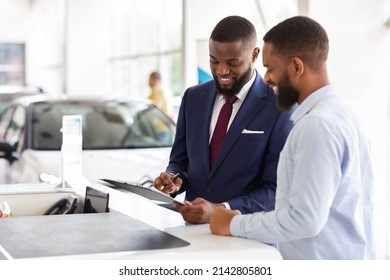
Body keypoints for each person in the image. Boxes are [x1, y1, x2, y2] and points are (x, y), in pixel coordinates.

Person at [209, 16, 375, 260]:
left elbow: (304, 219)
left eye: (271, 68)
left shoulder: (317, 126)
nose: (266, 78)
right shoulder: (343, 114)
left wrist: (233, 223)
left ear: (296, 67)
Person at [152, 16, 293, 224]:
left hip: (246, 239)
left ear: (254, 55)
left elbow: (276, 191)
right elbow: (180, 160)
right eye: (214, 61)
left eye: (232, 63)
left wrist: (220, 210)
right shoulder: (193, 98)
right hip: (191, 234)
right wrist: (174, 178)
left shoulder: (280, 108)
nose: (221, 71)